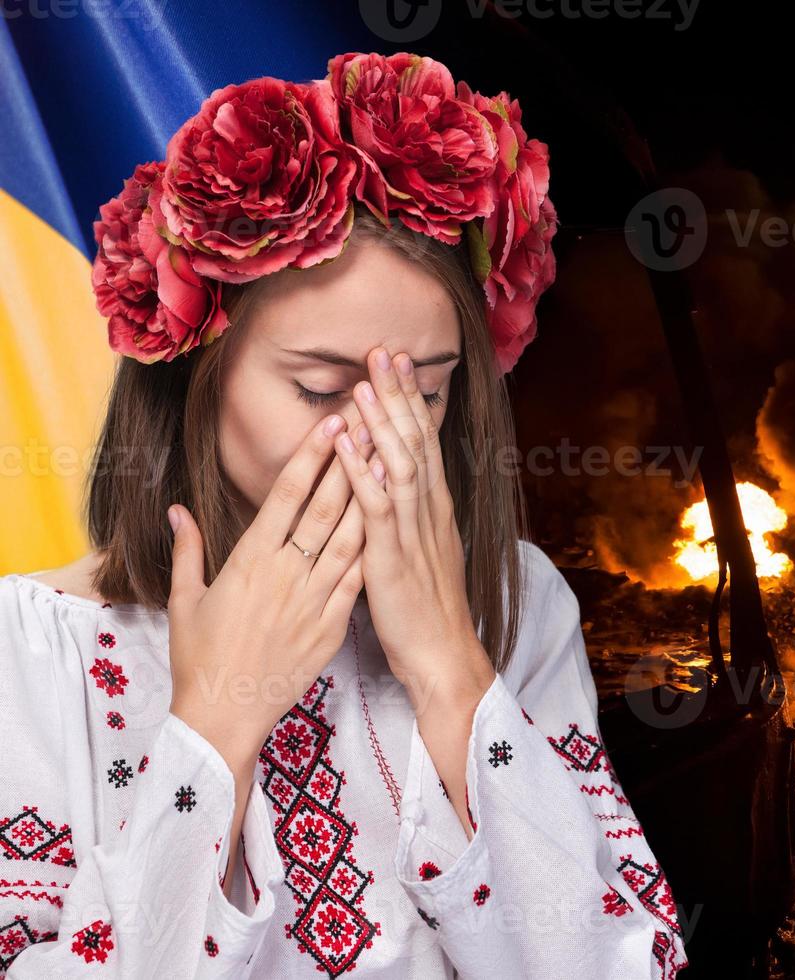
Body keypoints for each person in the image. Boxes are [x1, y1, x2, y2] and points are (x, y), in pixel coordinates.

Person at [0, 53, 687, 978]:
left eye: (426, 395)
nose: (378, 440)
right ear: (193, 379)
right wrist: (213, 727)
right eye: (322, 389)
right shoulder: (34, 652)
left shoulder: (515, 599)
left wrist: (451, 674)